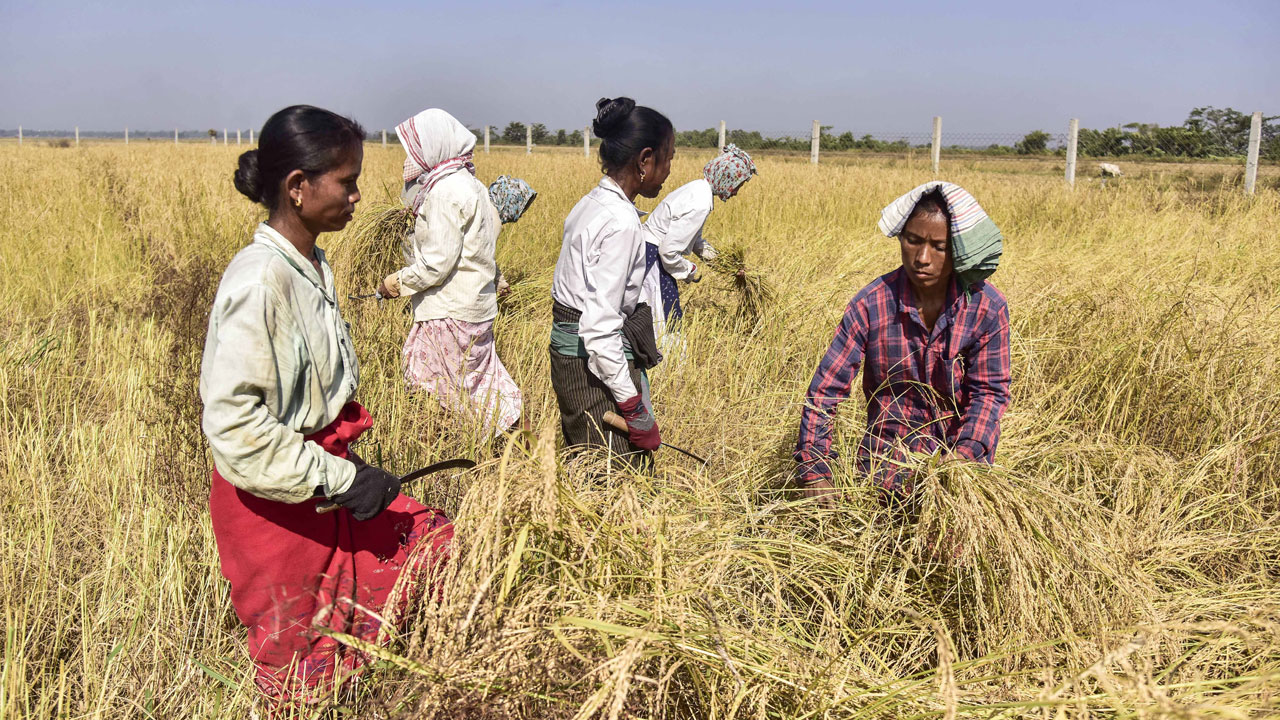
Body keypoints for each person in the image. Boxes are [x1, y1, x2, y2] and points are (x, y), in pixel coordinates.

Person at [201, 105, 453, 705]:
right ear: (298, 187)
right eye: (347, 181)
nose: (359, 196)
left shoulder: (311, 262)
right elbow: (236, 429)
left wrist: (342, 474)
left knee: (434, 543)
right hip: (275, 509)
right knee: (301, 679)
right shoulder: (260, 282)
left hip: (317, 487)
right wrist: (339, 478)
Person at [794, 182, 1010, 504]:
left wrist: (964, 455)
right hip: (882, 469)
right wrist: (815, 466)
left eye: (940, 246)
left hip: (958, 470)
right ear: (901, 238)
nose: (923, 258)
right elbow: (825, 390)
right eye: (913, 241)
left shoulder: (986, 308)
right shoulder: (871, 305)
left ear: (959, 251)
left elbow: (989, 393)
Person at [377, 109, 522, 438]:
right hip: (477, 310)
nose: (411, 157)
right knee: (483, 386)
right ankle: (523, 450)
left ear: (435, 146)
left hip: (449, 312)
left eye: (416, 147)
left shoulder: (443, 192)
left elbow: (437, 264)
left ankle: (449, 452)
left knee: (431, 389)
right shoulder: (473, 184)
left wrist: (397, 283)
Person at [549, 97, 674, 467]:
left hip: (572, 360)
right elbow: (599, 328)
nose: (669, 170)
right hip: (591, 366)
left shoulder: (590, 203)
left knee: (588, 465)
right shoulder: (621, 222)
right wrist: (634, 408)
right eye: (668, 158)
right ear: (645, 159)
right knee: (615, 479)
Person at [640, 144, 757, 344]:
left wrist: (724, 264)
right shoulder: (700, 203)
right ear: (727, 178)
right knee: (667, 320)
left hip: (648, 253)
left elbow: (696, 242)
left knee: (660, 316)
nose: (736, 192)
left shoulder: (697, 189)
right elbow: (668, 251)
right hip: (653, 260)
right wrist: (690, 270)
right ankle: (670, 368)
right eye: (737, 185)